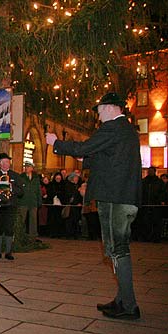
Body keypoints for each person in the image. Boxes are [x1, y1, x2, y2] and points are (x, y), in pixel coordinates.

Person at [46, 91, 142, 320]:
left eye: (99, 112)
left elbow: (85, 147)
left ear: (110, 108)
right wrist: (86, 158)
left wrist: (56, 143)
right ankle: (122, 299)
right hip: (124, 197)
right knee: (117, 249)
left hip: (115, 199)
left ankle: (129, 304)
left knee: (117, 250)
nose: (98, 118)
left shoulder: (113, 128)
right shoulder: (126, 131)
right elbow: (107, 156)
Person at [0, 153, 23, 260]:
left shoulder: (15, 175)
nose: (5, 164)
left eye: (7, 162)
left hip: (10, 205)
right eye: (3, 162)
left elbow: (21, 192)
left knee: (9, 229)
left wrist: (11, 187)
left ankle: (9, 252)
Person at [18, 162, 42, 238]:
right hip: (23, 201)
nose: (26, 168)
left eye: (28, 167)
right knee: (22, 219)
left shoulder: (36, 178)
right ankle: (20, 234)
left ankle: (33, 236)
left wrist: (39, 201)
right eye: (25, 167)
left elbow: (38, 190)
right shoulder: (21, 177)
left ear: (32, 168)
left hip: (33, 201)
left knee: (33, 219)